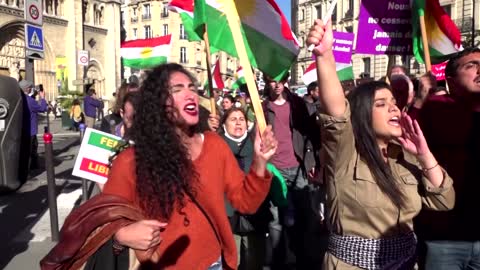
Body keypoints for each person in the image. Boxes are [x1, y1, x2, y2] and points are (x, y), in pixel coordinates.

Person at [307, 19, 455, 269]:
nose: (393, 107)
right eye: (381, 104)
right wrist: (324, 55)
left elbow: (444, 201)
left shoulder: (405, 157)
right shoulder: (345, 153)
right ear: (362, 113)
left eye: (394, 103)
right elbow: (335, 113)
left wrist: (424, 154)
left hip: (407, 263)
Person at [102, 63, 278, 269]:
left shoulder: (214, 145)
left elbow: (246, 202)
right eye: (177, 90)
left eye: (192, 88)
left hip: (215, 264)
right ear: (157, 102)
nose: (190, 95)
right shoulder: (130, 161)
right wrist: (122, 235)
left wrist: (260, 162)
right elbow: (105, 221)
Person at [414, 47, 480, 270]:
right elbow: (406, 142)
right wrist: (420, 100)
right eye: (471, 66)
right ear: (450, 80)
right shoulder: (435, 108)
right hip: (444, 236)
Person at [262, 71, 319, 269]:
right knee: (276, 220)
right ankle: (278, 261)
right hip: (273, 169)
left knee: (302, 217)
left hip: (296, 167)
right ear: (267, 82)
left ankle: (303, 259)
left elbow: (310, 134)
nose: (277, 85)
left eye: (280, 81)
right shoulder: (262, 106)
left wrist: (312, 162)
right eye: (272, 81)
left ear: (286, 81)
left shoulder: (298, 104)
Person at [220, 107, 273, 270]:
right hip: (228, 213)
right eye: (233, 119)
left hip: (254, 213)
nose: (238, 123)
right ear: (224, 125)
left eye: (241, 119)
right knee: (231, 261)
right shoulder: (217, 145)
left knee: (254, 260)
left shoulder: (256, 145)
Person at [19, 79, 48, 171]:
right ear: (27, 89)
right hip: (30, 130)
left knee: (24, 150)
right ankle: (33, 167)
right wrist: (42, 98)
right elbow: (42, 108)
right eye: (31, 88)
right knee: (32, 149)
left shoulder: (18, 98)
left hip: (20, 129)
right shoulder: (29, 100)